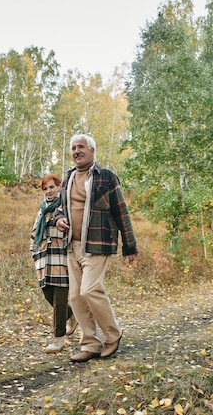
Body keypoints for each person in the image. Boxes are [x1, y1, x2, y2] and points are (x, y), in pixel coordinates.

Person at [55, 134, 138, 363]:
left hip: (98, 244)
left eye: (81, 147)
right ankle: (90, 343)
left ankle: (113, 334)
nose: (76, 151)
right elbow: (60, 207)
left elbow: (121, 211)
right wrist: (59, 218)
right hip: (73, 245)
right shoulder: (68, 178)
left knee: (89, 290)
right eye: (73, 148)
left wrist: (130, 245)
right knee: (75, 297)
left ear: (92, 150)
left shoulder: (107, 177)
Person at [30, 174, 78, 354]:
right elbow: (34, 231)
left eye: (52, 187)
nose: (49, 191)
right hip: (43, 260)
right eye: (45, 188)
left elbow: (71, 229)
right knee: (48, 294)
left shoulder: (64, 205)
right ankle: (73, 314)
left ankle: (58, 339)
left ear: (59, 187)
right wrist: (34, 252)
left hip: (61, 258)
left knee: (59, 300)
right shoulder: (43, 208)